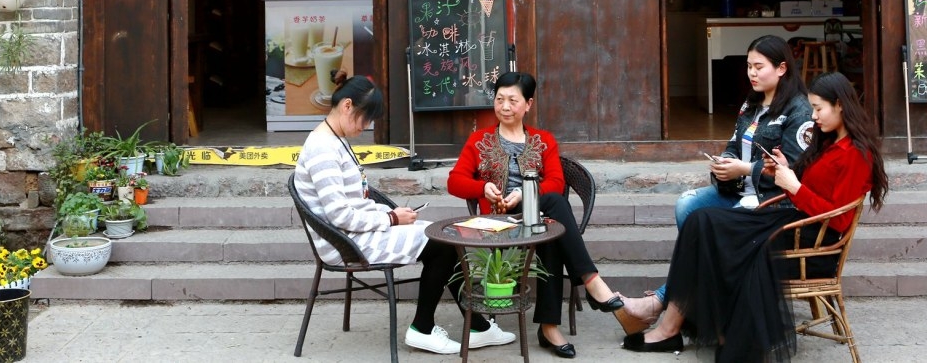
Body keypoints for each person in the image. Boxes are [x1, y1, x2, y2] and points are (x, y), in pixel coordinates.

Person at [621, 72, 888, 362]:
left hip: (814, 243)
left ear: (840, 105)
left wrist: (794, 187)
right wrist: (786, 170)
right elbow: (815, 189)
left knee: (721, 238)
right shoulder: (829, 142)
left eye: (818, 108)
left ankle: (694, 330)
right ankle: (670, 328)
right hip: (793, 223)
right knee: (700, 221)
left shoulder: (856, 154)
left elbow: (838, 219)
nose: (813, 116)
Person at [294, 72, 515, 355]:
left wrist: (391, 213)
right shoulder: (323, 149)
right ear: (347, 106)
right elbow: (341, 216)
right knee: (443, 244)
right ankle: (424, 328)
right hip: (346, 242)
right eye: (365, 119)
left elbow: (354, 200)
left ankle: (478, 326)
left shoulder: (334, 139)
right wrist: (391, 218)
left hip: (357, 232)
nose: (366, 126)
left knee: (445, 236)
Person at [620, 35, 812, 331]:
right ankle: (701, 292)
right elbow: (734, 143)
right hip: (739, 191)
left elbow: (794, 169)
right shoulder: (751, 102)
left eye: (759, 67)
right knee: (687, 204)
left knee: (707, 229)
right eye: (748, 66)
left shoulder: (798, 110)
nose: (752, 73)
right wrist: (725, 163)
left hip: (771, 202)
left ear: (782, 68)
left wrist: (744, 169)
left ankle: (661, 301)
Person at [448, 71, 626, 359]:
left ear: (528, 104)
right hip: (497, 222)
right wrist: (483, 187)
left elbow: (556, 180)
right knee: (553, 223)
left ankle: (551, 326)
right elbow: (454, 181)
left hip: (534, 214)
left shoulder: (543, 140)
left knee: (550, 218)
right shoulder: (479, 140)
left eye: (513, 100)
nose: (505, 107)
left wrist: (524, 194)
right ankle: (587, 284)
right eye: (499, 100)